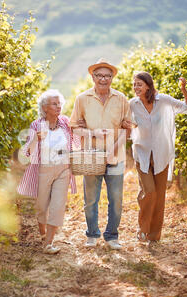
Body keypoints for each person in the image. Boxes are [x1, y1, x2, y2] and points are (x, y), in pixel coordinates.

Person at [70, 58, 132, 250]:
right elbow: (74, 127)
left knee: (116, 199)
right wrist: (91, 133)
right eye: (99, 75)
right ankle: (92, 234)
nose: (103, 79)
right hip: (91, 157)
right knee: (90, 199)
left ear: (112, 78)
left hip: (116, 157)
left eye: (107, 75)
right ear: (93, 77)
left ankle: (112, 236)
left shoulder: (121, 99)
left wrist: (113, 150)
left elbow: (127, 128)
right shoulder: (82, 99)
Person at [130, 71, 187, 244]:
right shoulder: (132, 104)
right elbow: (123, 121)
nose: (136, 87)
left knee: (159, 197)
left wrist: (184, 90)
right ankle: (142, 230)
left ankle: (154, 236)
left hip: (161, 154)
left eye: (139, 84)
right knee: (148, 191)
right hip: (142, 154)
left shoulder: (164, 101)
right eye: (134, 84)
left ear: (148, 85)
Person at [17, 89, 77, 254]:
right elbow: (26, 152)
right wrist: (36, 138)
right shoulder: (36, 125)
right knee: (42, 207)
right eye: (54, 104)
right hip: (43, 170)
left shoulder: (64, 122)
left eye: (59, 103)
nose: (58, 106)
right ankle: (43, 234)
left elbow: (76, 139)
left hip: (63, 169)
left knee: (57, 206)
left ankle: (49, 243)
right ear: (44, 108)